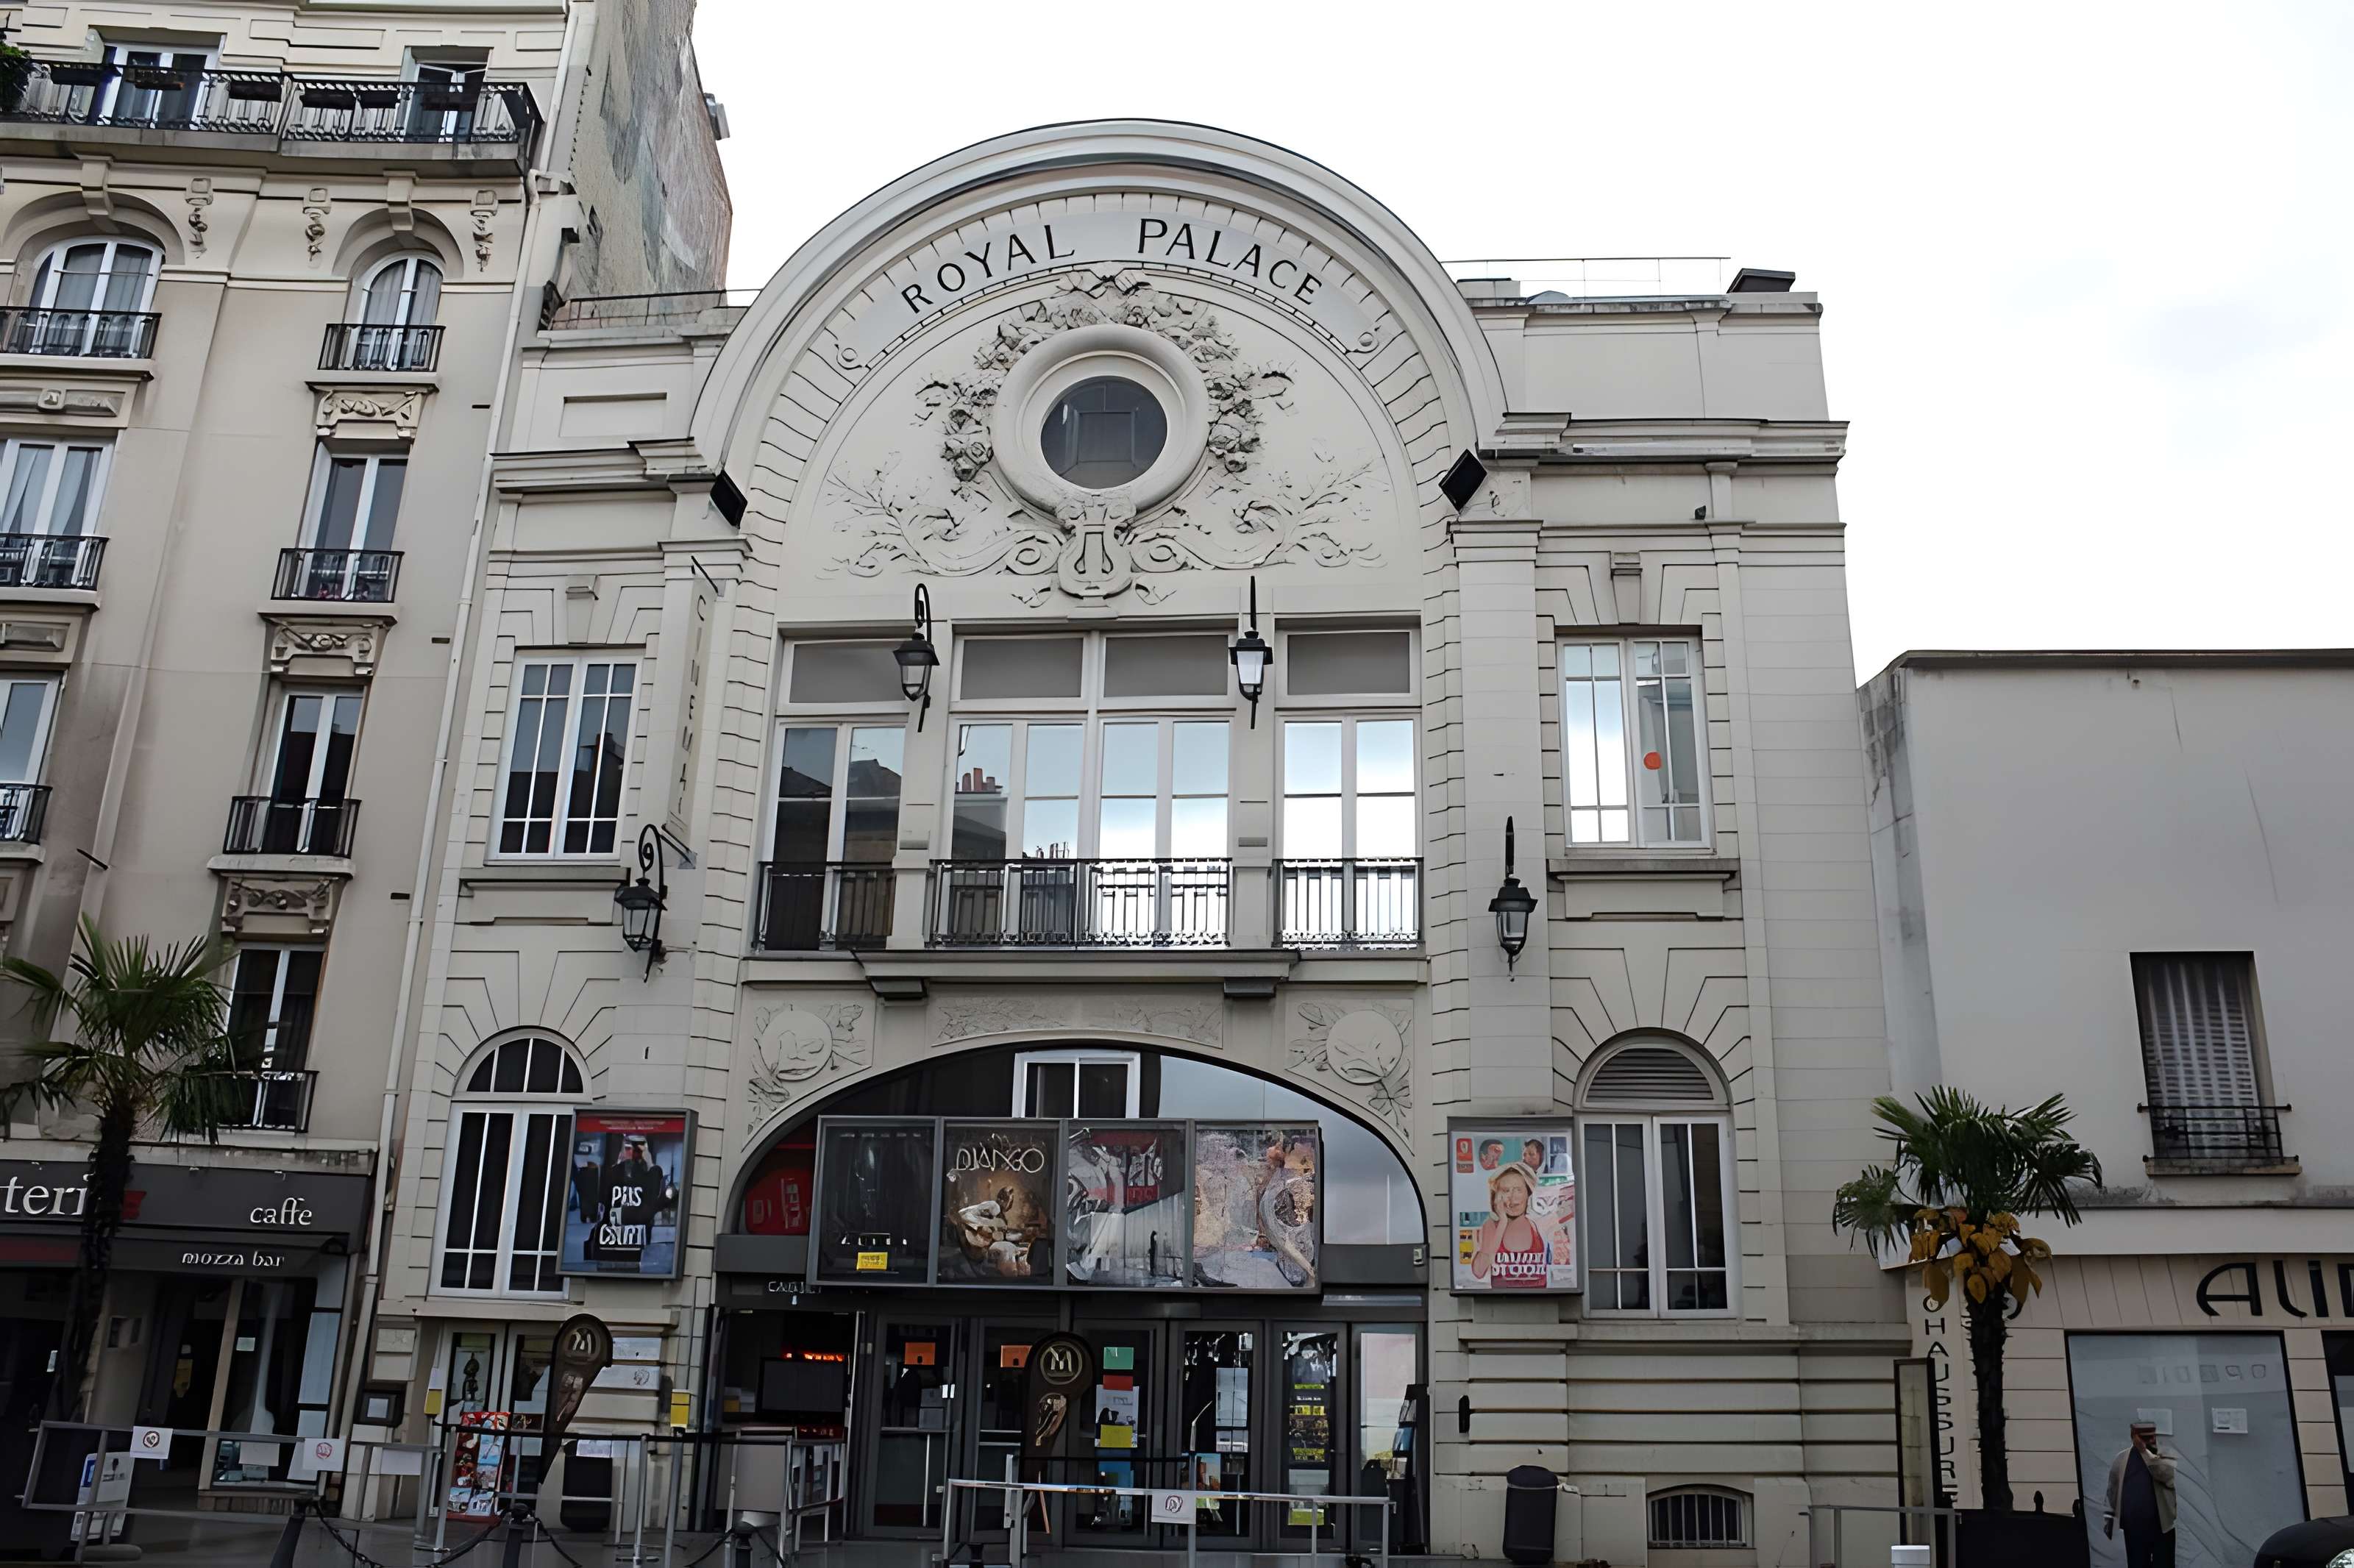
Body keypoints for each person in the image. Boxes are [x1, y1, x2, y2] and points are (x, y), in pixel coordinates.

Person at [2103, 1420, 2176, 1568]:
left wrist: (2145, 1452)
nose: (2147, 1437)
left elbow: (2166, 1476)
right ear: (2133, 1436)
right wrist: (2108, 1520)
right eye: (2142, 1434)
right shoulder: (2121, 1459)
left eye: (2150, 1434)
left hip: (2161, 1527)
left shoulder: (2164, 1454)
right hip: (2134, 1528)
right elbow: (2112, 1489)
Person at [1470, 1163, 1546, 1282]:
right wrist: (1502, 1223)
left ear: (1528, 1194)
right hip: (1501, 1300)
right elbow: (1479, 1272)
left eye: (1519, 1190)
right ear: (1496, 1196)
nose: (1512, 1197)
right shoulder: (1491, 1226)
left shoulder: (1537, 1225)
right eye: (1506, 1191)